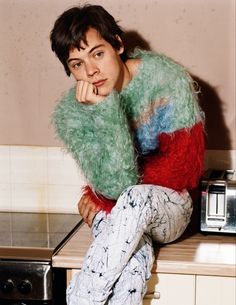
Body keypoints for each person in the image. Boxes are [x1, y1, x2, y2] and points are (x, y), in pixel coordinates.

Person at [50, 4, 205, 305]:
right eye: (77, 64)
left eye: (97, 54)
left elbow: (183, 169)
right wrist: (104, 111)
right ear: (69, 69)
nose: (91, 71)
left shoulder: (166, 80)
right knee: (133, 262)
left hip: (170, 207)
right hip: (118, 210)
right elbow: (113, 184)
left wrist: (110, 196)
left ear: (118, 45)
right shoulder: (72, 113)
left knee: (135, 199)